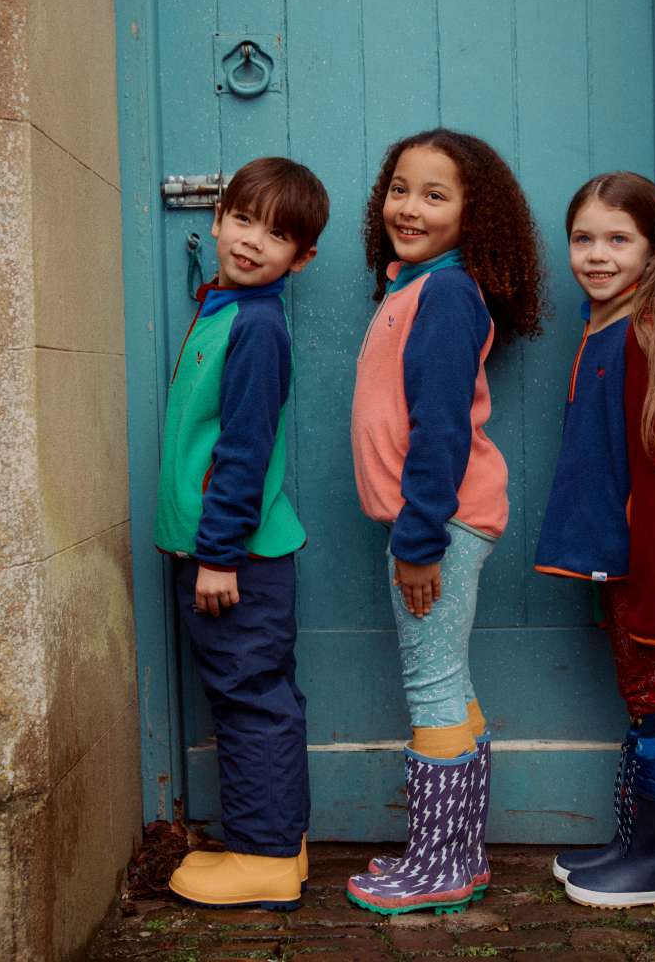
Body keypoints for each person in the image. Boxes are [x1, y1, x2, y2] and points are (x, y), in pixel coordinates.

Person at [346, 129, 545, 916]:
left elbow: (442, 429)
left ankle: (437, 869)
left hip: (439, 524)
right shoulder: (413, 286)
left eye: (435, 195)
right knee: (448, 683)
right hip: (436, 522)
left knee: (430, 687)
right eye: (400, 188)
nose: (409, 207)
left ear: (475, 214)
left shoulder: (449, 294)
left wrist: (419, 540)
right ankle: (458, 855)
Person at [534, 171, 655, 909]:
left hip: (654, 581)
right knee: (642, 706)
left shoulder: (647, 338)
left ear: (653, 250)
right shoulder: (604, 325)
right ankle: (636, 843)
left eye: (618, 239)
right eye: (583, 238)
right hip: (625, 573)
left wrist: (652, 602)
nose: (597, 254)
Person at [155, 157, 329, 910]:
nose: (254, 241)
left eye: (279, 234)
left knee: (249, 696)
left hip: (235, 561)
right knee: (256, 693)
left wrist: (219, 558)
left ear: (304, 257)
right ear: (218, 217)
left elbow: (244, 452)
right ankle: (280, 846)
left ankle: (260, 856)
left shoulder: (257, 327)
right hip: (223, 554)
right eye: (244, 219)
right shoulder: (227, 308)